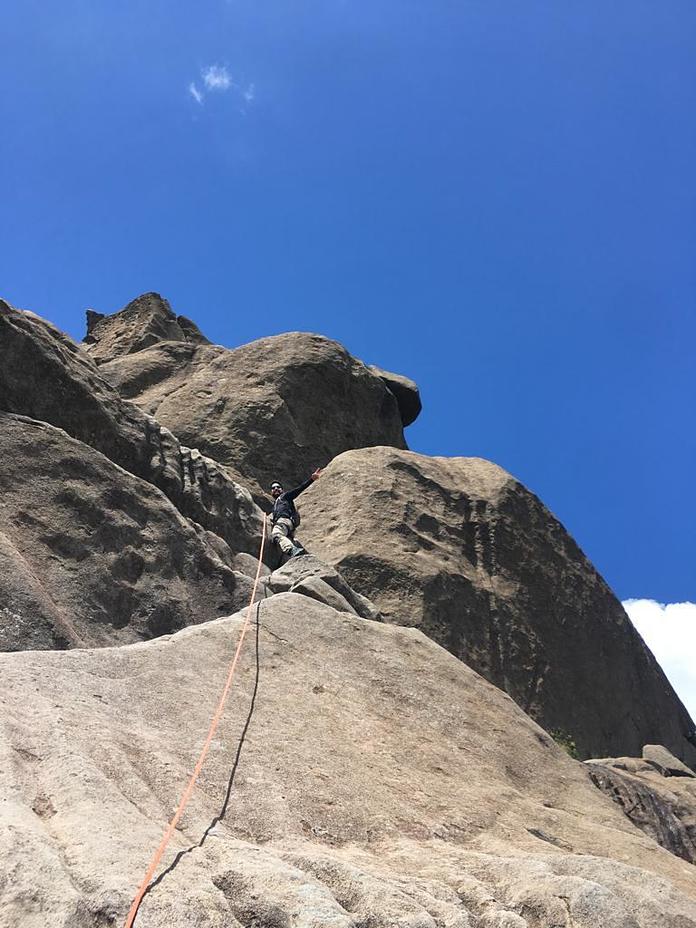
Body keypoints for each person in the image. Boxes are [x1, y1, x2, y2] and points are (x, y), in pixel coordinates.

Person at [269, 468, 322, 559]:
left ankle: (292, 550)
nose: (276, 489)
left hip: (284, 521)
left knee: (276, 535)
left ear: (282, 490)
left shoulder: (285, 497)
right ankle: (304, 555)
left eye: (278, 487)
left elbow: (298, 489)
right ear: (271, 492)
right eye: (273, 488)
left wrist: (311, 480)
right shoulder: (276, 504)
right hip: (288, 527)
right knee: (289, 541)